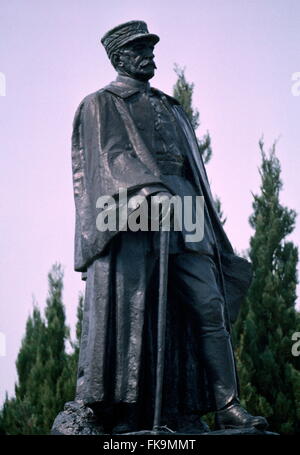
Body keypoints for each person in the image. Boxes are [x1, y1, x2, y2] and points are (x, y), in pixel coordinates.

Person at [71, 20, 268, 433]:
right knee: (137, 310)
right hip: (135, 214)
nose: (150, 55)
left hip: (188, 208)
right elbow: (107, 160)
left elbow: (193, 169)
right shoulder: (101, 103)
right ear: (120, 57)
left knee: (208, 305)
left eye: (151, 47)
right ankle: (130, 411)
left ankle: (227, 405)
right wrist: (146, 191)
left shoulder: (171, 106)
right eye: (140, 49)